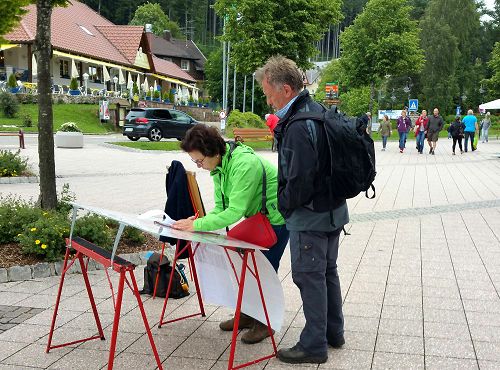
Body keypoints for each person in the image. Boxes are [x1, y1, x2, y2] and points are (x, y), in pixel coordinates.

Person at [255, 55, 349, 365]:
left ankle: (313, 345)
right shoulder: (319, 111)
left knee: (309, 276)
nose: (267, 100)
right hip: (334, 211)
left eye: (268, 92)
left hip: (311, 217)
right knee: (326, 272)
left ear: (284, 89)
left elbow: (298, 180)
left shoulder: (297, 125)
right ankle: (333, 332)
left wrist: (282, 205)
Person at [172, 124, 290, 344]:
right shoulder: (219, 167)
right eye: (195, 162)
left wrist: (197, 226)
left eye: (199, 161)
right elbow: (220, 208)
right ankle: (247, 315)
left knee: (264, 273)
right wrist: (198, 222)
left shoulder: (243, 164)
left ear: (214, 152)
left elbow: (234, 212)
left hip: (276, 221)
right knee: (246, 270)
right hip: (259, 219)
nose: (199, 166)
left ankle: (266, 323)